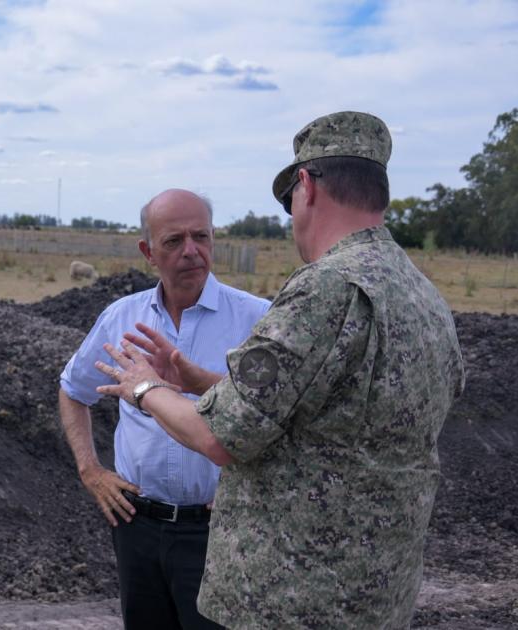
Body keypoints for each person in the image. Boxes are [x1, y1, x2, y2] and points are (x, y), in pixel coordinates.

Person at [95, 111, 466, 628]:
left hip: (292, 597)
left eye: (290, 197)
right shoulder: (422, 295)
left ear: (307, 186)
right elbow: (327, 410)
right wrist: (199, 381)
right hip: (377, 595)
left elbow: (218, 438)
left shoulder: (325, 288)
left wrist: (144, 387)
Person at [59, 189, 269, 629]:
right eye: (174, 241)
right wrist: (90, 472)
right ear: (148, 252)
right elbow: (73, 390)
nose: (191, 251)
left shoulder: (257, 320)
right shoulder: (122, 317)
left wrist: (257, 491)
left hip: (221, 534)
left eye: (201, 237)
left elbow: (286, 420)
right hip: (137, 526)